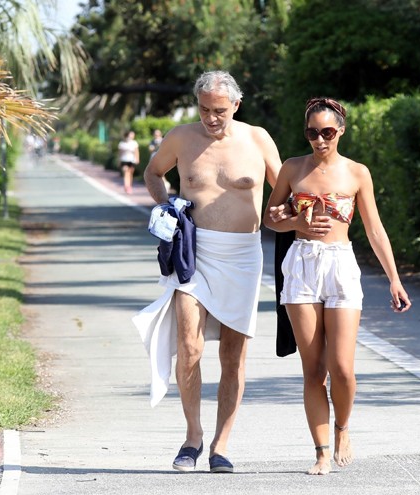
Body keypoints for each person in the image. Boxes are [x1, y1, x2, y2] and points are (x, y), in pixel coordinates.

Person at [132, 70, 316, 474]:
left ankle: (221, 445)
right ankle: (192, 437)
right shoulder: (181, 137)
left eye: (219, 110)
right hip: (194, 252)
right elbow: (152, 173)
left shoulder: (257, 138)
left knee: (233, 356)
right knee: (190, 345)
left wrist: (289, 215)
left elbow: (284, 189)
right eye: (204, 110)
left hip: (243, 255)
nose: (211, 118)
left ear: (236, 104)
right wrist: (167, 207)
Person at [264, 97, 412, 475]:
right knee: (313, 370)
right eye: (312, 132)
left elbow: (375, 229)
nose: (319, 140)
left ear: (341, 131)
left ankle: (343, 427)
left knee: (342, 368)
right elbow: (271, 218)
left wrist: (394, 279)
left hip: (341, 265)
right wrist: (295, 222)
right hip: (301, 266)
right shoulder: (291, 168)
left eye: (327, 132)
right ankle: (321, 452)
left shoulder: (357, 173)